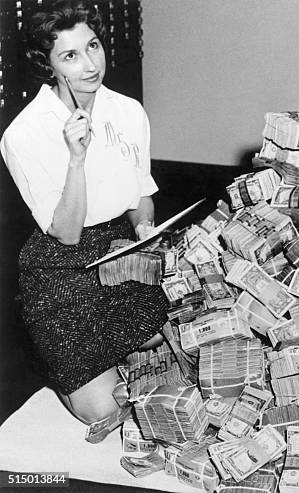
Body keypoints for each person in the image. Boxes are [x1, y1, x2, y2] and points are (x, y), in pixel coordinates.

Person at [0, 0, 169, 427]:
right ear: (49, 65)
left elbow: (140, 193)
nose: (90, 64)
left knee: (159, 343)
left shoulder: (128, 111)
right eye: (70, 55)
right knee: (104, 411)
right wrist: (77, 158)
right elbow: (68, 233)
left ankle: (104, 354)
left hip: (116, 248)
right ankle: (53, 360)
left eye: (93, 46)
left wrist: (143, 228)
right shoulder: (24, 133)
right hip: (59, 265)